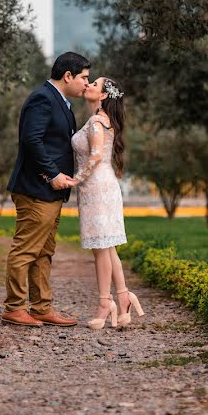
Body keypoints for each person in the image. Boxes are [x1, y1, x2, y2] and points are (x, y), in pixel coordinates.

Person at [2, 52, 91, 327]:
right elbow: (31, 140)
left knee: (43, 251)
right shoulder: (42, 98)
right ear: (68, 76)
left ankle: (41, 307)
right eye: (84, 78)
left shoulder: (61, 103)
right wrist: (51, 174)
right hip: (35, 188)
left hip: (51, 191)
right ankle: (14, 307)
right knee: (26, 249)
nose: (86, 84)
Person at [66, 77, 144, 329]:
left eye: (94, 84)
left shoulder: (98, 122)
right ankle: (123, 298)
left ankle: (104, 302)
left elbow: (97, 155)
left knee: (101, 249)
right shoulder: (99, 120)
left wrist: (76, 179)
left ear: (102, 97)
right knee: (107, 246)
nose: (88, 85)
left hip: (97, 187)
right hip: (102, 186)